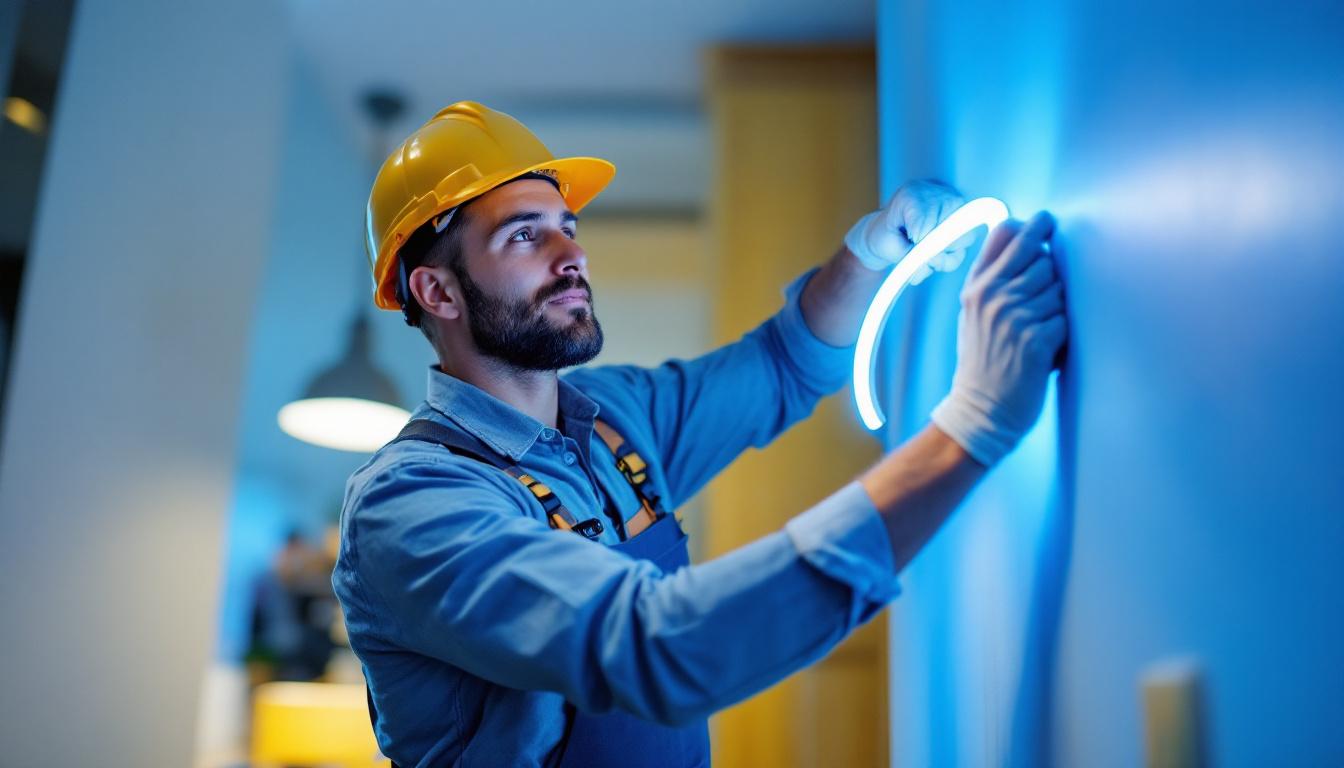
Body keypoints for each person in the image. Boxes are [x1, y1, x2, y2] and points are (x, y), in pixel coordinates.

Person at [333, 101, 1067, 767]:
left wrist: (872, 247)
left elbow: (781, 364)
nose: (572, 256)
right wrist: (969, 430)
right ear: (437, 290)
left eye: (568, 227)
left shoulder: (611, 420)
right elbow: (656, 648)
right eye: (525, 236)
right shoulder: (413, 504)